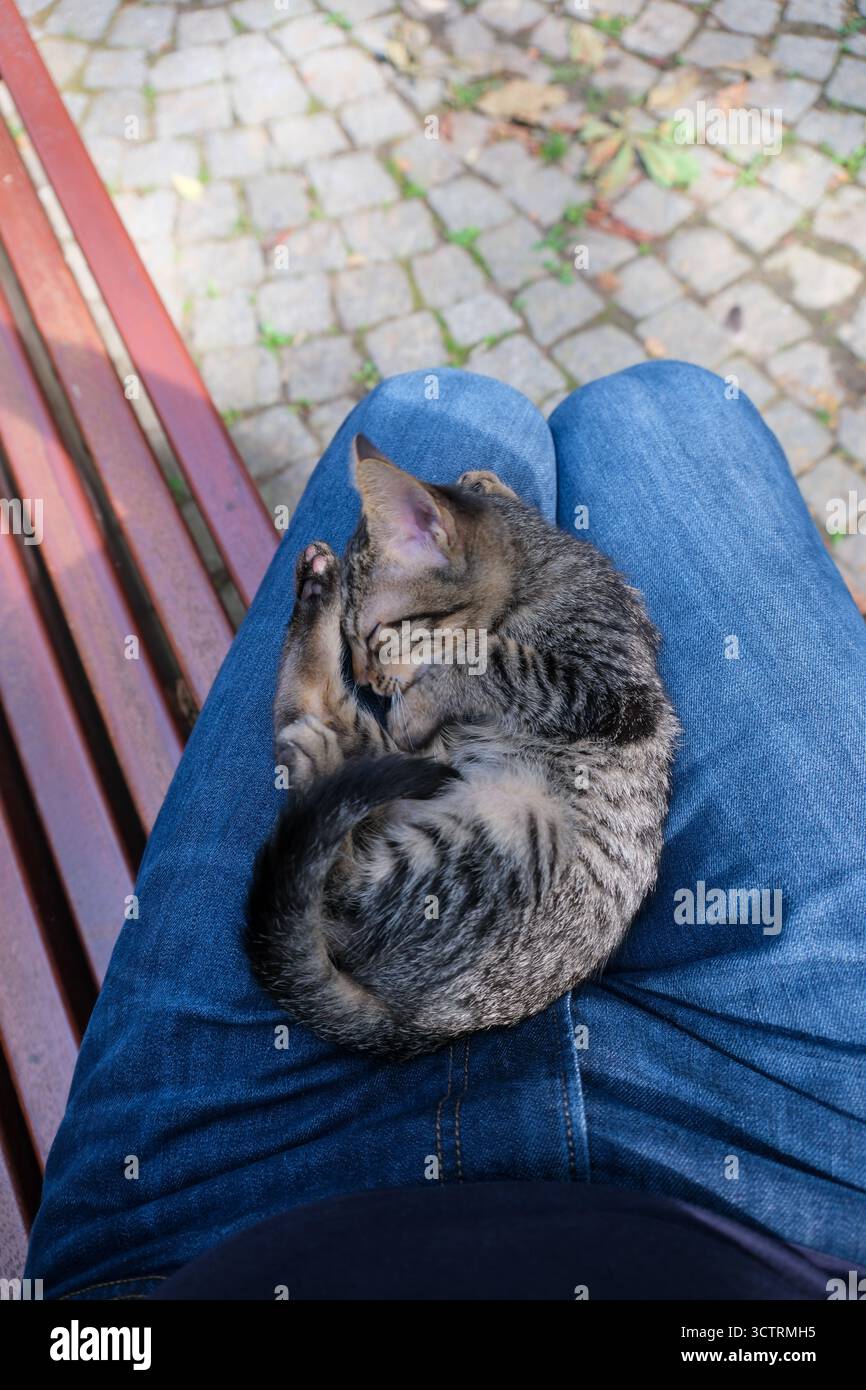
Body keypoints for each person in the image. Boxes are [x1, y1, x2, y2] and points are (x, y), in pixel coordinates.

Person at [25, 363, 866, 1300]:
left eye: (377, 634)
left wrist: (438, 657)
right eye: (371, 645)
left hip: (219, 1223)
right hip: (784, 1166)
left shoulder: (485, 629)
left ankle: (317, 682)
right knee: (656, 404)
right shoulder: (531, 609)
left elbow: (588, 701)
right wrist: (438, 658)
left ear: (440, 538)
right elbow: (598, 704)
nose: (383, 666)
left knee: (436, 408)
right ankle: (334, 731)